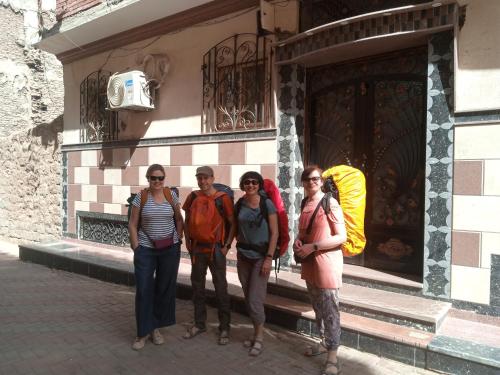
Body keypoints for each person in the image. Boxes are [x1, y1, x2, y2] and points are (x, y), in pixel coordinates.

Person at [294, 165, 347, 375]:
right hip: (309, 262)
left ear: (321, 181)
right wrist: (299, 242)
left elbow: (341, 237)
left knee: (330, 310)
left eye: (315, 179)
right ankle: (325, 342)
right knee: (317, 307)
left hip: (327, 263)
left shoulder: (330, 203)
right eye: (307, 179)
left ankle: (333, 357)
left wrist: (313, 246)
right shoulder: (305, 202)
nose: (311, 182)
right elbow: (303, 232)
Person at [128, 164, 184, 350]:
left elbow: (178, 218)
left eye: (160, 178)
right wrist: (137, 248)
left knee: (163, 288)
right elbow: (133, 224)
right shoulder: (140, 198)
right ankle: (142, 333)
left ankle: (155, 328)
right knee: (144, 289)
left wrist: (179, 238)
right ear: (148, 179)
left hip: (169, 249)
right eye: (154, 178)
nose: (157, 181)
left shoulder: (171, 195)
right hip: (146, 249)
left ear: (164, 179)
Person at [182, 166, 235, 345]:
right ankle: (199, 323)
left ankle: (225, 328)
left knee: (221, 288)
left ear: (212, 179)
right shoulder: (193, 197)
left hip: (216, 250)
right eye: (200, 178)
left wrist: (227, 245)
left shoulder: (223, 198)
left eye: (206, 178)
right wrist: (188, 241)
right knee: (197, 288)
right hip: (197, 250)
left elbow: (232, 223)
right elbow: (187, 220)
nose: (203, 181)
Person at [233, 171, 278, 357]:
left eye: (254, 182)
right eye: (246, 182)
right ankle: (255, 333)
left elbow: (275, 233)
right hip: (243, 256)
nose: (250, 185)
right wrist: (229, 244)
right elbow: (234, 227)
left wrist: (269, 257)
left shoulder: (266, 204)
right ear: (242, 185)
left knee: (255, 299)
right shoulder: (240, 204)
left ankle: (259, 337)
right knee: (248, 297)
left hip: (261, 257)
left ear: (259, 185)